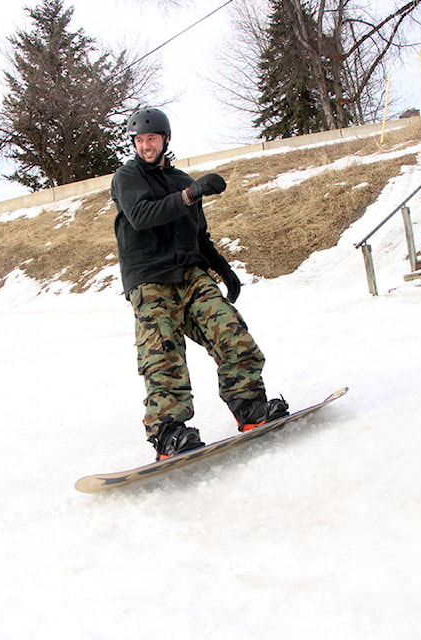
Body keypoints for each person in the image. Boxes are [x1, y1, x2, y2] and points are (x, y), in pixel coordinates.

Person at [111, 107, 288, 461]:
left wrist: (223, 268)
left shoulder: (180, 181)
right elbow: (141, 216)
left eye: (152, 139)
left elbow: (199, 235)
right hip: (149, 279)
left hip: (191, 274)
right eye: (140, 140)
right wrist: (191, 194)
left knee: (231, 331)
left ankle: (250, 408)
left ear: (166, 140)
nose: (146, 146)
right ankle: (169, 433)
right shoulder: (127, 177)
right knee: (163, 355)